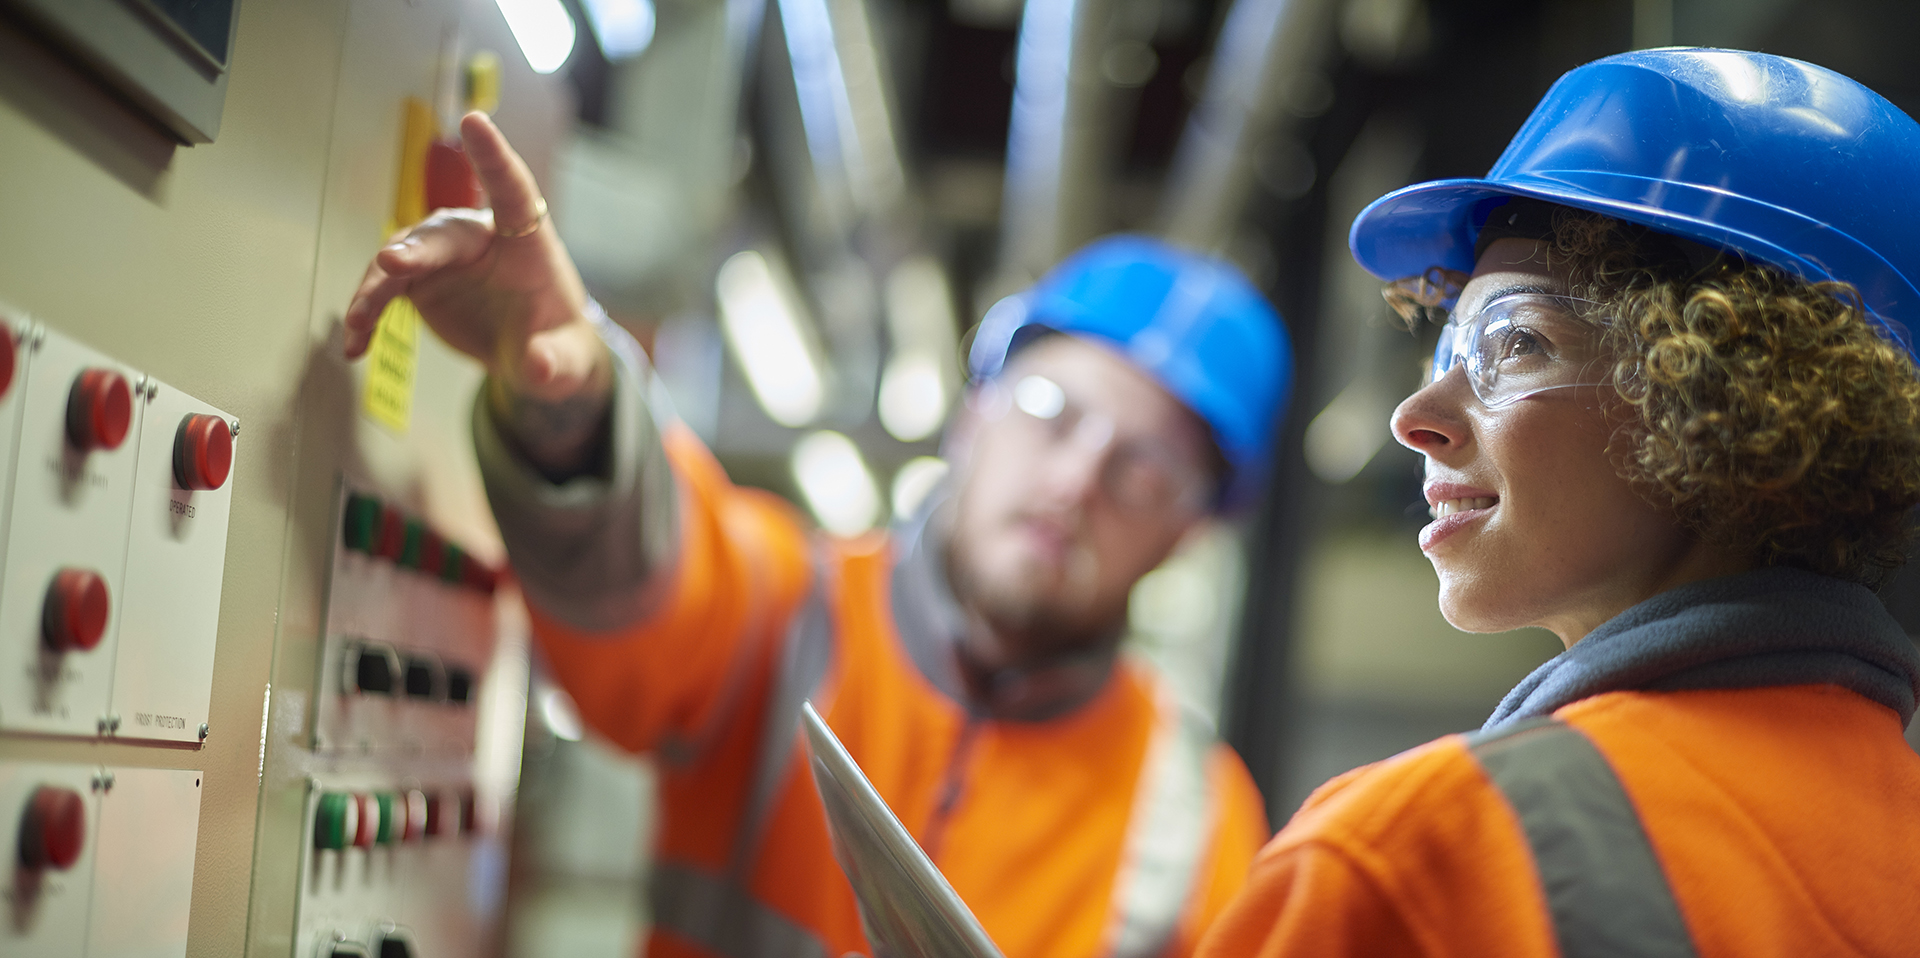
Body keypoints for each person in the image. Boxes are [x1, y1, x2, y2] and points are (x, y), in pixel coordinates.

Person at [343, 115, 1292, 958]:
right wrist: (572, 402)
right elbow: (647, 570)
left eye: (1146, 471)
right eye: (1050, 410)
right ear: (975, 415)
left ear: (1187, 534)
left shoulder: (1197, 823)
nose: (1077, 481)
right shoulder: (791, 608)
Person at [1198, 49, 1920, 957]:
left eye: (1517, 343)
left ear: (1734, 389)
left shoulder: (1420, 855)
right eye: (1448, 347)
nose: (1415, 416)